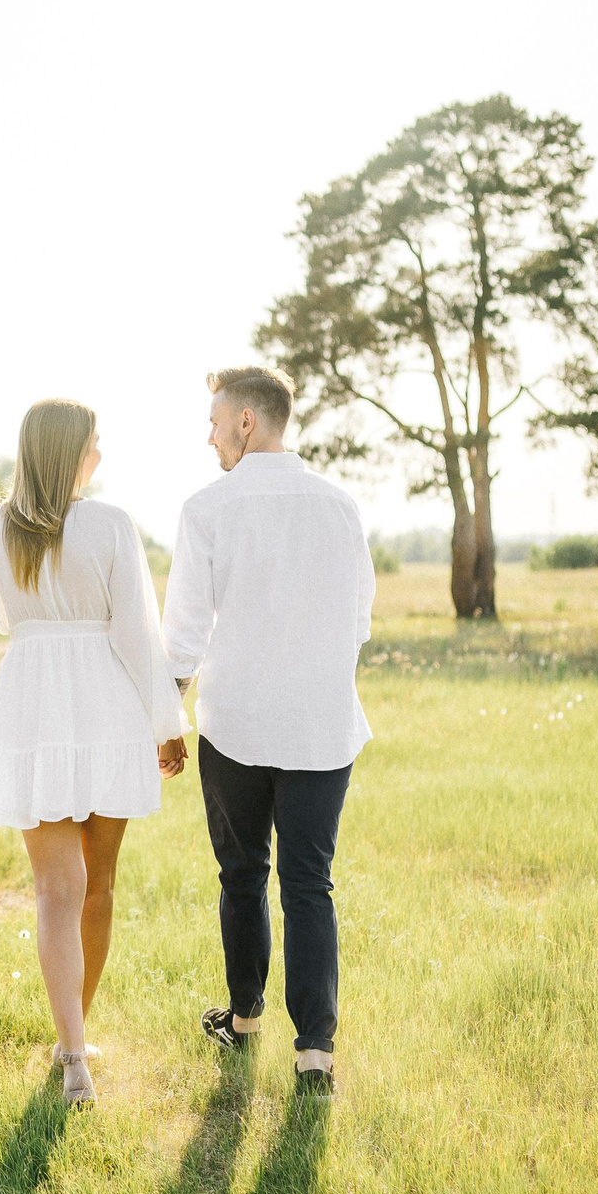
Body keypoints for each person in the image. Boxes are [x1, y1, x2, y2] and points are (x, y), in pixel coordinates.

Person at [0, 398, 186, 1106]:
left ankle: (73, 1050)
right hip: (107, 707)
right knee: (96, 886)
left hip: (31, 710)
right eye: (95, 445)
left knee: (55, 890)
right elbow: (139, 634)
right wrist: (168, 722)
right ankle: (74, 1037)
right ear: (71, 452)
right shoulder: (110, 525)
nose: (100, 457)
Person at [160, 366, 376, 1098]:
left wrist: (166, 715)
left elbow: (184, 635)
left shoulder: (205, 509)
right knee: (310, 883)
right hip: (321, 725)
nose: (210, 433)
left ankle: (246, 1020)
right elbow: (360, 621)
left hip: (238, 724)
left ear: (248, 421)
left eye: (216, 419)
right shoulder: (340, 506)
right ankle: (315, 1052)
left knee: (243, 874)